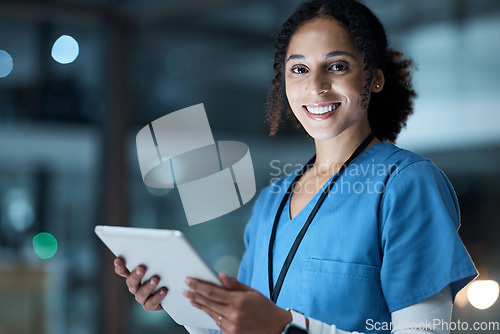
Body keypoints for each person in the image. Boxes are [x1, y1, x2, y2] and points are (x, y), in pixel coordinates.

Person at [114, 0, 478, 333]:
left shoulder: (407, 184)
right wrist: (179, 301)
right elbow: (240, 326)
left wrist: (287, 328)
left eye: (337, 66)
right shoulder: (271, 200)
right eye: (299, 69)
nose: (316, 86)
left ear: (375, 78)